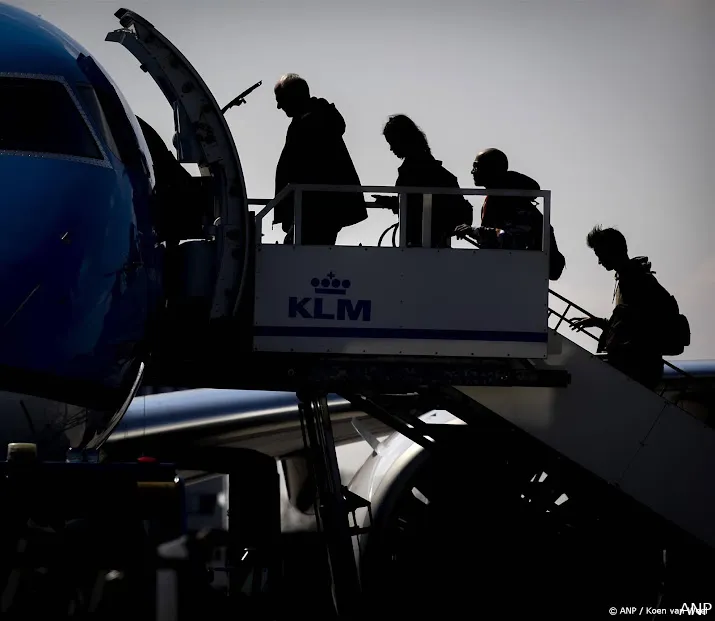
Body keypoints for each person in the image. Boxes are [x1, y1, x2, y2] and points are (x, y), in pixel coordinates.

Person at [570, 226, 670, 390]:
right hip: (641, 367)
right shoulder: (631, 278)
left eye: (600, 255)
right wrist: (598, 322)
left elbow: (635, 328)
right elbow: (629, 323)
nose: (599, 261)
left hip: (638, 369)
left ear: (611, 250)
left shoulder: (634, 282)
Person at [272, 73, 367, 245]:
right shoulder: (311, 120)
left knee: (294, 257)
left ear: (293, 96)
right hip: (311, 210)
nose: (278, 106)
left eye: (281, 99)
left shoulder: (315, 121)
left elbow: (309, 169)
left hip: (316, 211)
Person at [454, 148, 565, 280]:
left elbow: (511, 238)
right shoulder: (497, 199)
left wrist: (474, 231)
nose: (472, 172)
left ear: (491, 169)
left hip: (520, 278)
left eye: (476, 167)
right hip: (507, 275)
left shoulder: (515, 203)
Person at [373, 115, 472, 248]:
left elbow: (417, 205)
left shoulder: (418, 171)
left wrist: (393, 202)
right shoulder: (435, 171)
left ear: (403, 140)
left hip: (420, 244)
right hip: (433, 245)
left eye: (392, 142)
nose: (392, 149)